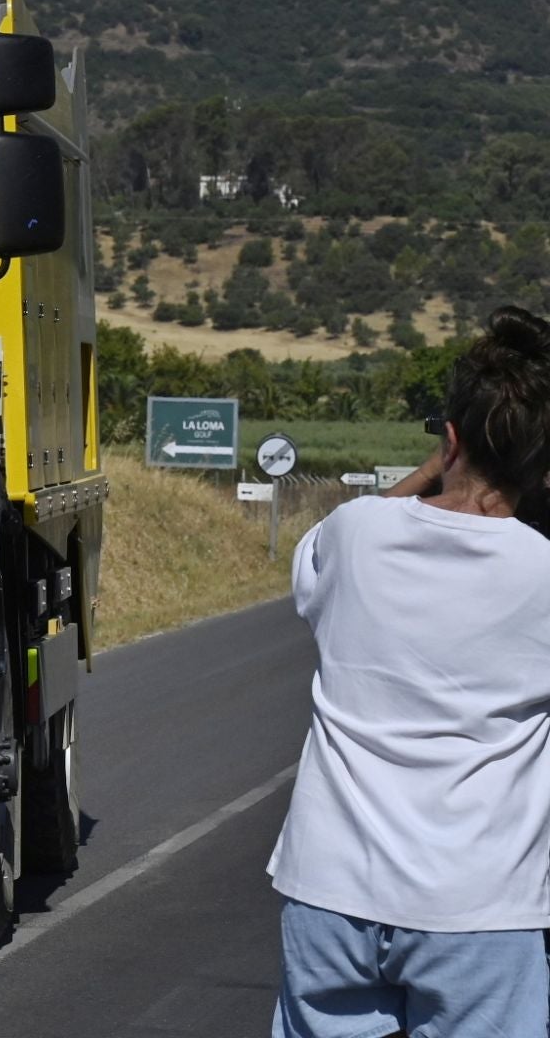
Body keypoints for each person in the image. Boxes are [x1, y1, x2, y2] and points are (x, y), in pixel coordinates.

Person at [270, 305, 550, 1038]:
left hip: (329, 892)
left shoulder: (356, 533)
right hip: (481, 906)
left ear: (449, 440)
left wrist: (431, 472)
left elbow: (316, 559)